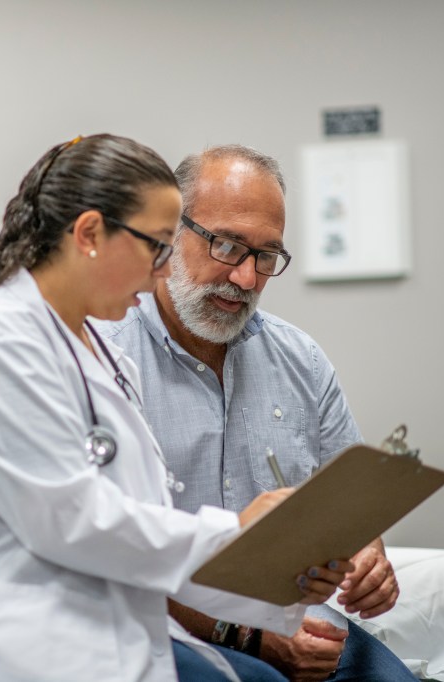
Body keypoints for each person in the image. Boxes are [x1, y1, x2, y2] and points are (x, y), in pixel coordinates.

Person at [0, 134, 355, 682]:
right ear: (89, 234)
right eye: (155, 245)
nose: (163, 270)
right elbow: (72, 521)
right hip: (6, 648)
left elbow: (143, 534)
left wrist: (282, 586)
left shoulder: (102, 355)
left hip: (107, 643)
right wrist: (237, 533)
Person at [95, 144, 418, 682]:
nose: (246, 279)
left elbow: (350, 505)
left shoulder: (301, 362)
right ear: (172, 231)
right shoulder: (103, 359)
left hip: (294, 618)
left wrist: (368, 558)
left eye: (267, 257)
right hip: (160, 624)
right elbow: (110, 553)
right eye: (228, 246)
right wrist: (246, 636)